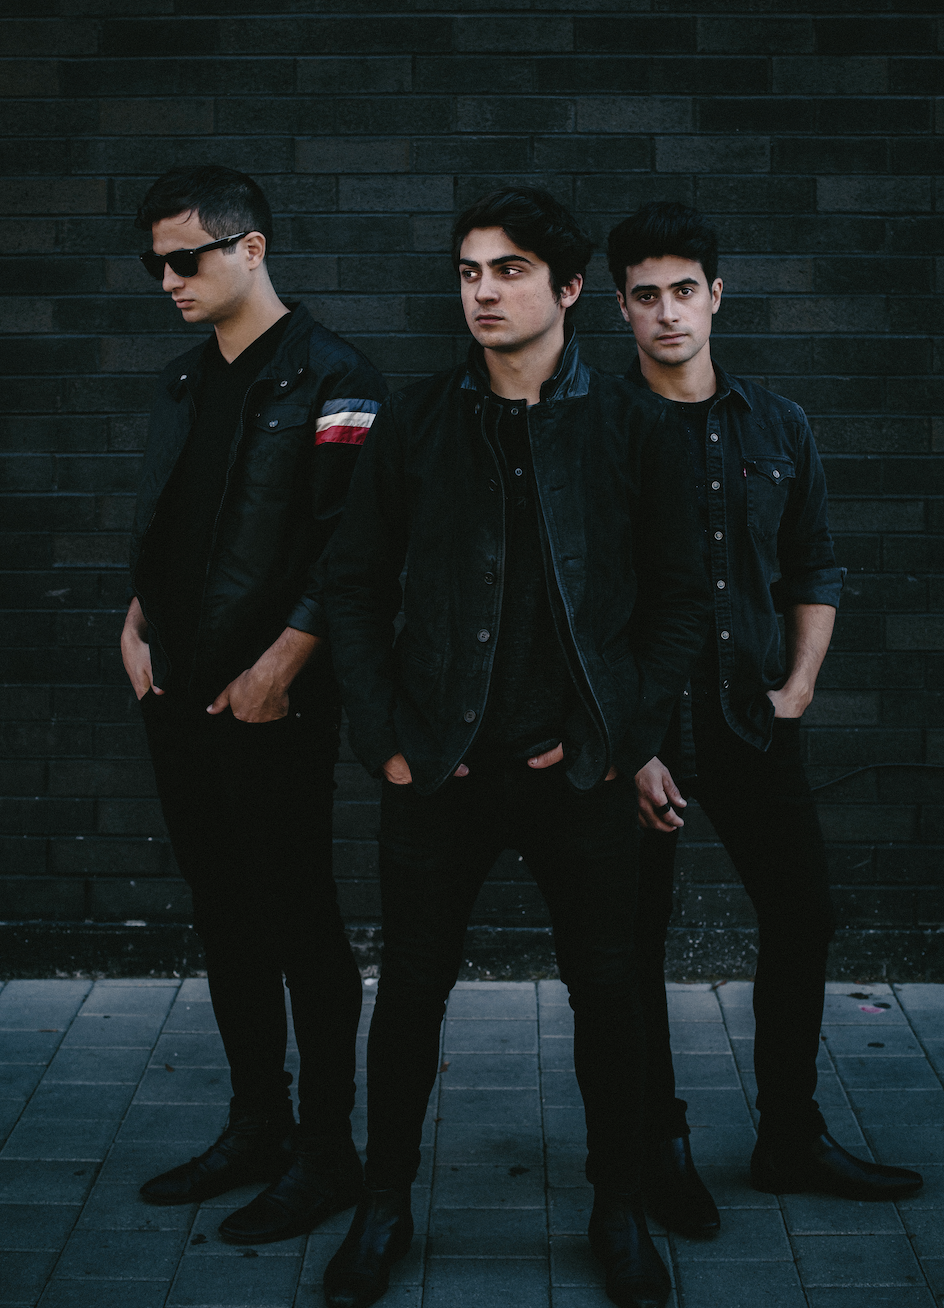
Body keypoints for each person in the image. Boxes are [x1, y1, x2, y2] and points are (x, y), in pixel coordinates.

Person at [320, 187, 708, 1308]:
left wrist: (617, 736)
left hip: (576, 771)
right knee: (410, 995)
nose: (481, 292)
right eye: (468, 272)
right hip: (438, 769)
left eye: (508, 270)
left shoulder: (632, 425)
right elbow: (353, 586)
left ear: (570, 288)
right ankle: (383, 1204)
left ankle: (617, 1208)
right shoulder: (418, 420)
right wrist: (386, 738)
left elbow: (678, 601)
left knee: (608, 994)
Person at [608, 200, 922, 1236]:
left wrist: (798, 687)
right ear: (619, 308)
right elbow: (582, 602)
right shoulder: (596, 431)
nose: (667, 312)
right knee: (633, 940)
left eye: (682, 291)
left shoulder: (777, 424)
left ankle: (789, 1135)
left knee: (802, 916)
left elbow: (812, 563)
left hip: (750, 718)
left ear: (715, 295)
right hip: (639, 736)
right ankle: (655, 1149)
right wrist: (632, 743)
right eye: (645, 295)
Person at [121, 164, 388, 1245]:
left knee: (298, 920)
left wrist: (281, 665)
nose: (168, 280)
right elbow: (173, 519)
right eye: (156, 264)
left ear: (251, 249)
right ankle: (257, 1125)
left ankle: (328, 1153)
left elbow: (352, 544)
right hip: (178, 692)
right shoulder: (185, 381)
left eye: (186, 258)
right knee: (223, 913)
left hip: (274, 703)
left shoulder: (336, 377)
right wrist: (135, 619)